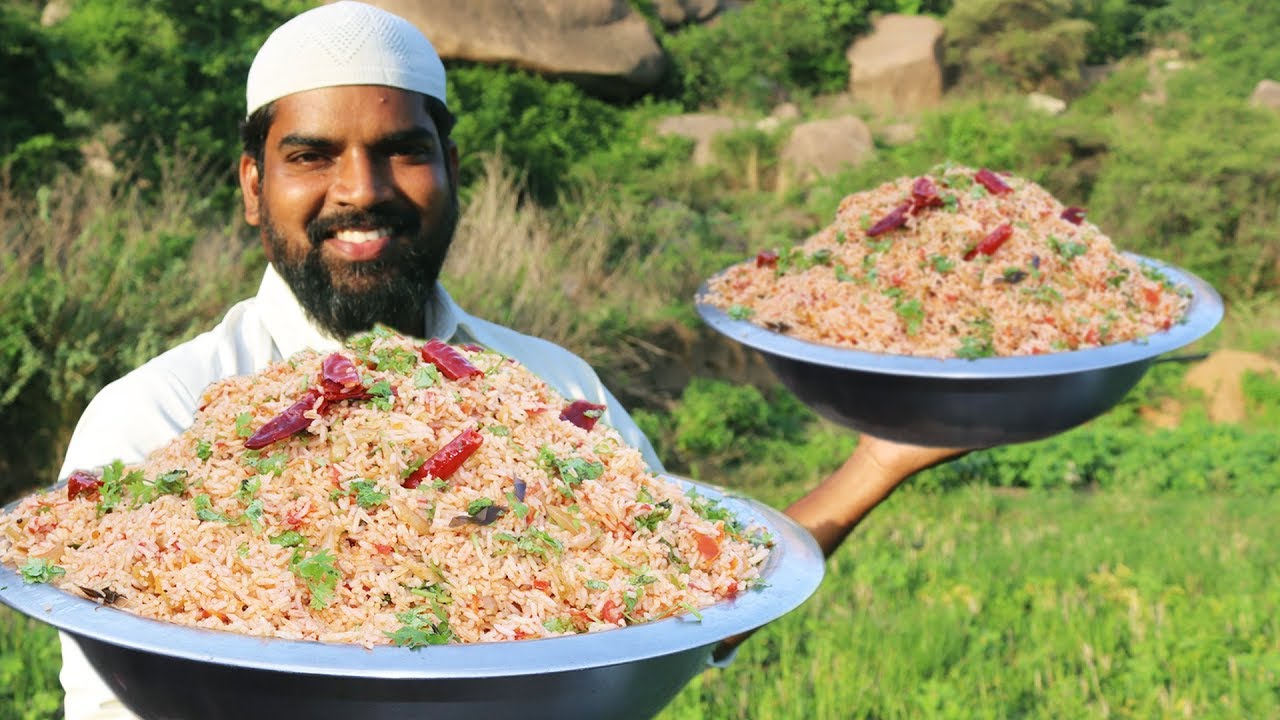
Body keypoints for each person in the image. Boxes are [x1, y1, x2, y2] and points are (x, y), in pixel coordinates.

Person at [53, 3, 966, 718]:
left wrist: (879, 460)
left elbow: (688, 612)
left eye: (403, 151)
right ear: (255, 186)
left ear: (451, 169)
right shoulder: (158, 419)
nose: (361, 189)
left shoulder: (555, 390)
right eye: (312, 156)